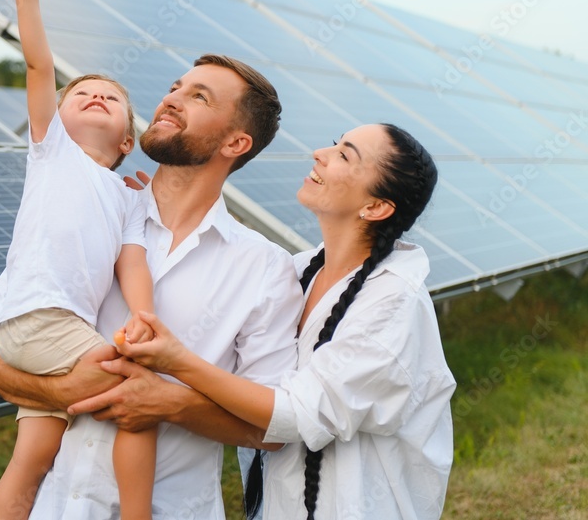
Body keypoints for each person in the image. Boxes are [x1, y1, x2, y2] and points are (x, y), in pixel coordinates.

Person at [0, 7, 305, 518]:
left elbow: (273, 427)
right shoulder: (83, 214)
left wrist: (173, 402)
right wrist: (61, 390)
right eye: (176, 86)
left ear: (236, 143)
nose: (171, 98)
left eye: (199, 97)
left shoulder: (263, 268)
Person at [112, 124, 457, 520]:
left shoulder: (395, 303)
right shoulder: (300, 270)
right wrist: (165, 218)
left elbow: (297, 412)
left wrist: (177, 364)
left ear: (376, 207)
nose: (319, 153)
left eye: (345, 155)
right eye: (333, 143)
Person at [0, 0, 158, 520]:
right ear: (54, 119)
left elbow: (131, 262)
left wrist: (143, 313)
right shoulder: (52, 152)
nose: (94, 94)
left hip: (50, 333)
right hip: (40, 317)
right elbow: (38, 64)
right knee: (138, 393)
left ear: (127, 140)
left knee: (31, 461)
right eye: (80, 92)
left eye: (111, 98)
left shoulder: (129, 196)